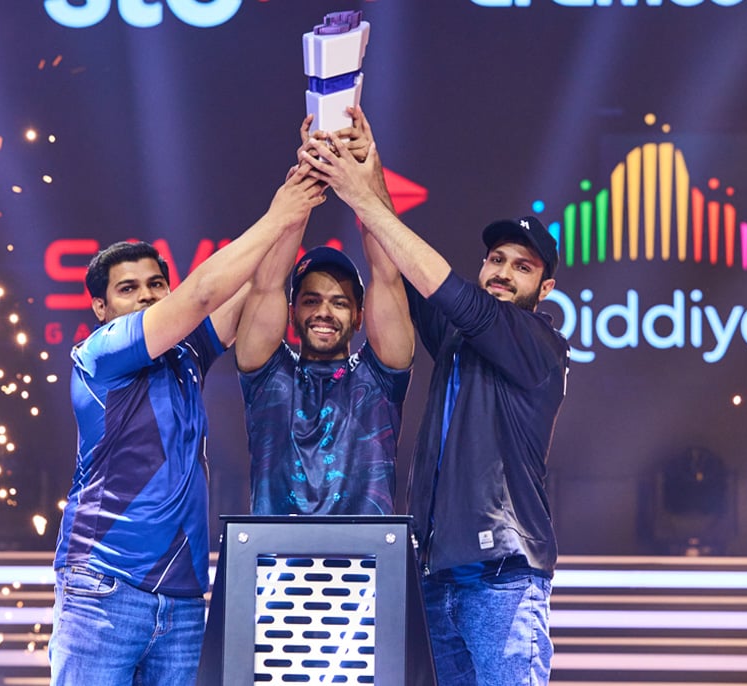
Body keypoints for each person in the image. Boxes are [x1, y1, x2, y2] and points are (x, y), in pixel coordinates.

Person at [302, 110, 570, 685]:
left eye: (521, 267)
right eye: (496, 259)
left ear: (544, 289)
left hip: (503, 575)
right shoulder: (458, 335)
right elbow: (400, 264)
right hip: (438, 576)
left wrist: (363, 197)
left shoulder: (539, 341)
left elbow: (448, 289)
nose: (501, 273)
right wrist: (365, 169)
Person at [48, 163, 325, 686]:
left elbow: (262, 281)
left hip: (181, 600)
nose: (149, 296)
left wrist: (303, 203)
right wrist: (280, 210)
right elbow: (198, 296)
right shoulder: (99, 355)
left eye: (157, 284)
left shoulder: (185, 357)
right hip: (105, 588)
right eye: (129, 290)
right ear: (100, 306)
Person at [235, 113, 414, 516]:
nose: (324, 311)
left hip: (366, 568)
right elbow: (266, 283)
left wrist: (367, 173)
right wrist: (309, 172)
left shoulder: (379, 379)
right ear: (292, 311)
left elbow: (387, 275)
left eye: (340, 301)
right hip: (274, 567)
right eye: (312, 300)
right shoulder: (268, 376)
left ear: (359, 316)